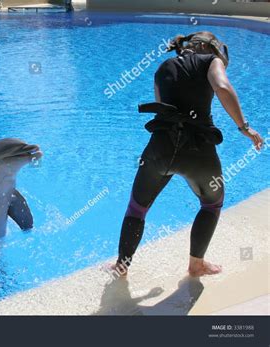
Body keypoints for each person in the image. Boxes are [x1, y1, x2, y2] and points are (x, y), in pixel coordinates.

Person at [111, 31, 263, 277]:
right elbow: (222, 87)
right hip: (199, 152)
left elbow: (163, 111)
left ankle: (122, 266)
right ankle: (196, 265)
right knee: (211, 204)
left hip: (160, 149)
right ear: (204, 46)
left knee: (137, 208)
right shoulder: (209, 61)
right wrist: (244, 127)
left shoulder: (162, 69)